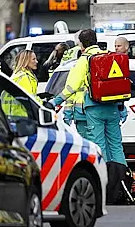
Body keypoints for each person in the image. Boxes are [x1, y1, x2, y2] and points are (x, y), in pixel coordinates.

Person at [50, 29, 127, 167]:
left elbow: (71, 87)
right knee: (115, 146)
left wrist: (54, 102)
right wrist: (122, 106)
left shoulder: (84, 60)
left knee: (98, 146)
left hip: (94, 108)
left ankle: (104, 181)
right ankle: (123, 179)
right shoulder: (108, 56)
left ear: (81, 45)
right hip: (113, 107)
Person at [1, 50, 40, 117]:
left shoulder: (17, 74)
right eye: (33, 59)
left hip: (14, 115)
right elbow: (31, 100)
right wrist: (45, 103)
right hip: (23, 116)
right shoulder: (24, 78)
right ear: (26, 61)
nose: (36, 61)